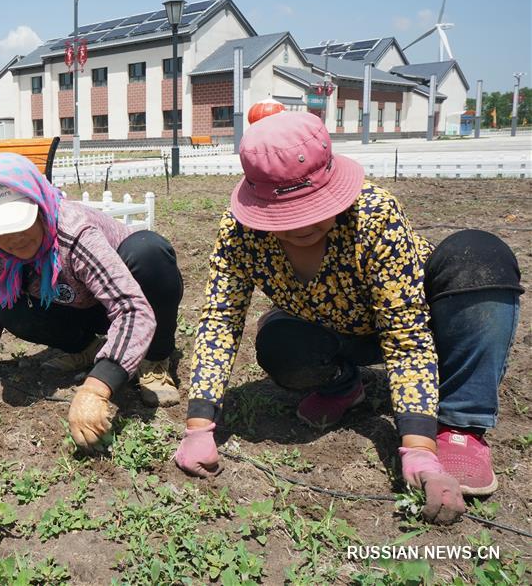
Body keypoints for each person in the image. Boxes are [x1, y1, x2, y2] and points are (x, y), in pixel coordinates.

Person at [174, 111, 522, 524]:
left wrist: (419, 449)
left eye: (311, 208)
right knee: (280, 340)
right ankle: (344, 386)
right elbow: (220, 321)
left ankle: (459, 424)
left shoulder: (374, 215)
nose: (302, 223)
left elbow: (406, 335)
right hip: (338, 329)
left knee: (479, 256)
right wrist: (198, 426)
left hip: (421, 320)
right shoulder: (239, 233)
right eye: (284, 214)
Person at [0, 152, 184, 448]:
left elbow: (131, 308)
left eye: (19, 222)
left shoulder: (71, 230)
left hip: (120, 296)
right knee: (7, 307)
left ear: (39, 207)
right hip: (71, 303)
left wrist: (98, 388)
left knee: (149, 253)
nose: (13, 238)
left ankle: (153, 358)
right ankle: (86, 348)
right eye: (0, 230)